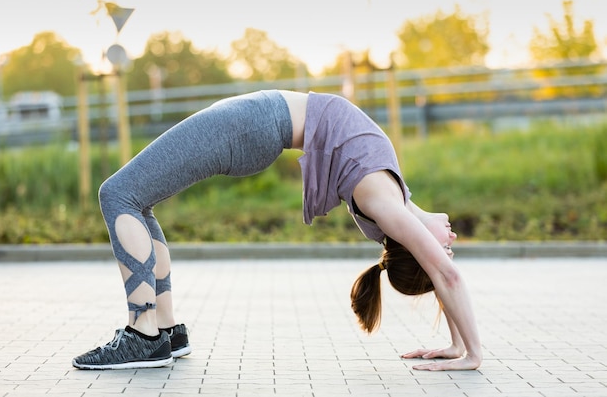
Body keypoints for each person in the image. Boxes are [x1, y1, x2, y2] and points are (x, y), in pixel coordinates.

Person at [72, 90, 482, 371]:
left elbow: (445, 276)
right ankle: (165, 332)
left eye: (445, 248)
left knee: (118, 194)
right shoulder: (398, 198)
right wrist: (455, 346)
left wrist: (473, 355)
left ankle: (141, 332)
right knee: (137, 200)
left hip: (251, 125)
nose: (451, 241)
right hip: (255, 118)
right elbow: (440, 273)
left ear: (418, 248)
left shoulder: (385, 204)